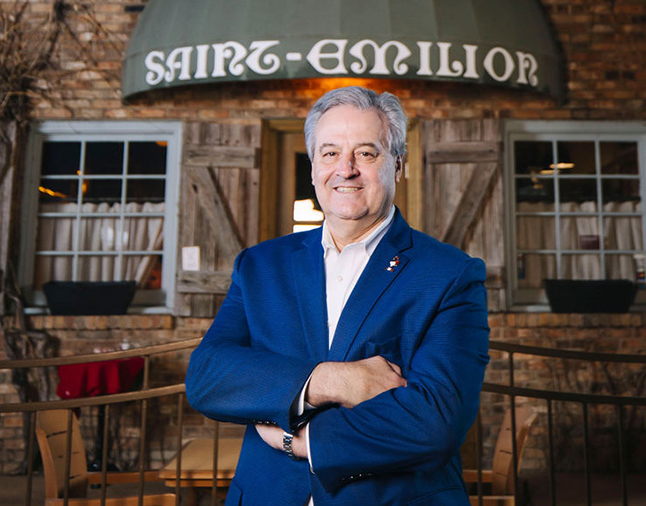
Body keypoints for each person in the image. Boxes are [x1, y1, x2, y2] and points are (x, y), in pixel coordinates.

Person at [185, 86, 489, 506]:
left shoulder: (450, 275)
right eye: (329, 153)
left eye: (366, 153)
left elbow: (435, 423)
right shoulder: (259, 266)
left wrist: (303, 442)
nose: (345, 169)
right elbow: (207, 377)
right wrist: (332, 380)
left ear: (398, 165)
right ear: (313, 168)